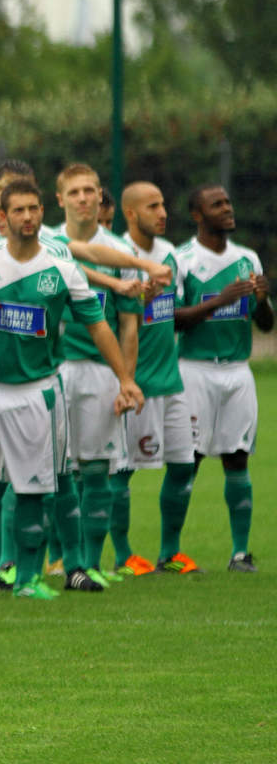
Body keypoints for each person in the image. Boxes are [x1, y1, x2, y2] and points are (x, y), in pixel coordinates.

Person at [0, 180, 143, 600]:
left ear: (42, 212)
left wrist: (125, 379)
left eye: (34, 208)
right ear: (3, 217)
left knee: (34, 489)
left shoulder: (61, 267)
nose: (28, 217)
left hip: (35, 391)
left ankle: (28, 578)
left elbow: (98, 326)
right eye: (18, 210)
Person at [52, 163, 143, 590]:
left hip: (101, 373)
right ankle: (56, 559)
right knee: (53, 471)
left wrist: (127, 381)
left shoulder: (121, 252)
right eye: (75, 192)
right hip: (52, 370)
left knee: (96, 470)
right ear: (60, 199)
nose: (84, 198)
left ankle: (88, 562)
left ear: (100, 195)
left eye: (90, 190)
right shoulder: (47, 243)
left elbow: (129, 326)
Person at [174, 184, 272, 572]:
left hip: (237, 371)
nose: (227, 209)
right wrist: (220, 301)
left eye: (228, 202)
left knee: (238, 458)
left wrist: (261, 301)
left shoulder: (247, 258)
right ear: (197, 215)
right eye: (217, 204)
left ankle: (240, 553)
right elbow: (173, 319)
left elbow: (266, 324)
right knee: (188, 461)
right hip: (195, 370)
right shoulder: (181, 259)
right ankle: (169, 553)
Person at [115, 182, 199, 574]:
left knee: (183, 466)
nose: (163, 212)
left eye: (163, 204)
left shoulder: (169, 254)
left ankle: (170, 552)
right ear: (131, 213)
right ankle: (122, 555)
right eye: (153, 206)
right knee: (120, 471)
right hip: (136, 382)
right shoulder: (117, 254)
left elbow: (172, 311)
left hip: (171, 380)